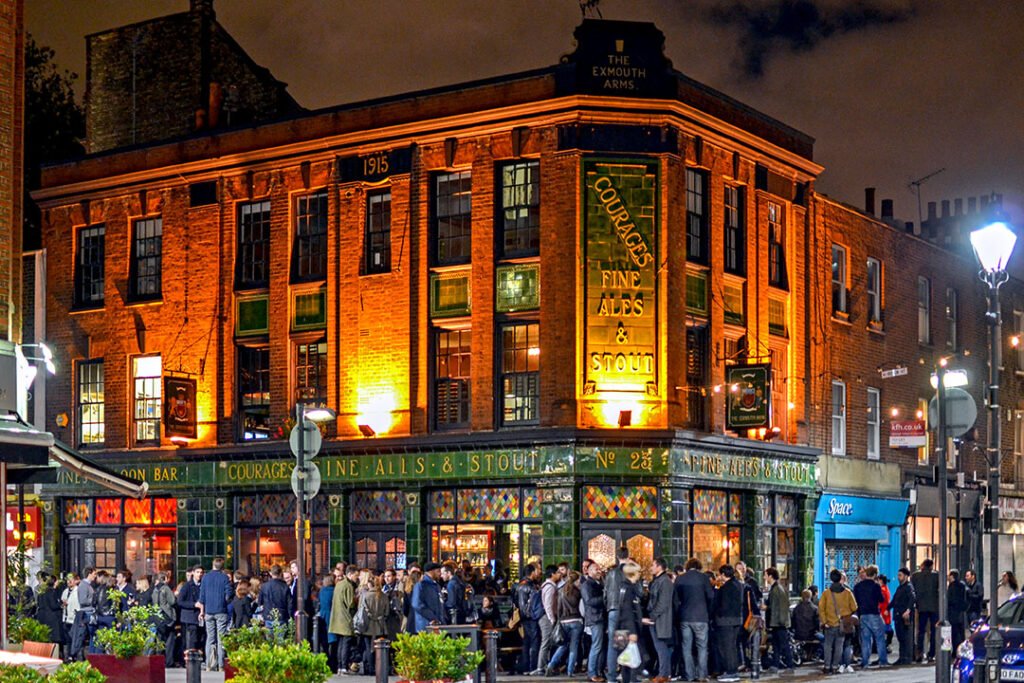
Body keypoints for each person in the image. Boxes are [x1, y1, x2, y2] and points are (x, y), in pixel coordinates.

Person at [675, 558, 713, 683]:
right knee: (702, 647)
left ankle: (689, 675)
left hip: (685, 617)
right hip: (701, 617)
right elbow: (710, 596)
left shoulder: (680, 578)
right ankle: (702, 676)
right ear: (699, 566)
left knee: (686, 647)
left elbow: (676, 598)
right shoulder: (703, 578)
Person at [818, 568, 858, 675]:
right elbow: (854, 607)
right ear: (841, 578)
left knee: (828, 646)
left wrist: (824, 621)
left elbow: (821, 608)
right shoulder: (848, 593)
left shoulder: (826, 593)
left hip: (829, 624)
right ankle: (835, 666)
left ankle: (827, 666)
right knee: (839, 646)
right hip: (842, 624)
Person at [198, 557, 233, 672]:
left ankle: (209, 664)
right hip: (221, 611)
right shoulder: (224, 578)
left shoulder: (206, 578)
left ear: (213, 565)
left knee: (210, 639)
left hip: (209, 611)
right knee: (221, 639)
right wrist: (224, 601)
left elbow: (201, 597)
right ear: (222, 566)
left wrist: (203, 610)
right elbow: (229, 593)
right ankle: (221, 665)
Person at [547, 570, 584, 677]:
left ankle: (551, 664)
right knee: (574, 646)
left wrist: (559, 619)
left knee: (563, 645)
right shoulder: (578, 591)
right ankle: (570, 671)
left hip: (563, 621)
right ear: (576, 580)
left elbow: (558, 608)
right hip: (576, 620)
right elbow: (581, 608)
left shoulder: (561, 590)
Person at [610, 562, 643, 683]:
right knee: (632, 661)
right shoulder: (629, 589)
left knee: (626, 661)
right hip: (628, 628)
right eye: (638, 572)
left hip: (621, 627)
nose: (640, 574)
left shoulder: (622, 587)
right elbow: (628, 610)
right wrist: (633, 631)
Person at [852, 565, 887, 668]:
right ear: (875, 574)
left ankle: (865, 662)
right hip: (874, 614)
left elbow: (855, 602)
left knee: (865, 640)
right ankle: (882, 661)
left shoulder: (857, 586)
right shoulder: (876, 586)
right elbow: (881, 599)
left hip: (863, 615)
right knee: (880, 638)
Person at [712, 564, 743, 683]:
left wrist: (717, 613)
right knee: (732, 646)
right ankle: (732, 670)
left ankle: (731, 672)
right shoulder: (738, 585)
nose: (719, 576)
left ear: (723, 574)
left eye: (720, 574)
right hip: (736, 619)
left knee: (726, 647)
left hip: (725, 621)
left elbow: (722, 606)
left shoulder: (725, 588)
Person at [604, 547, 630, 683]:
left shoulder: (610, 574)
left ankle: (611, 677)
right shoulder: (631, 571)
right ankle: (625, 675)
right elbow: (639, 592)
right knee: (625, 643)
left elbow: (605, 594)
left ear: (617, 556)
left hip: (612, 610)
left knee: (612, 644)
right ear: (628, 555)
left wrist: (608, 607)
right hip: (626, 611)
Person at [764, 567, 794, 674]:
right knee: (776, 644)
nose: (764, 577)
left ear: (770, 576)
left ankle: (790, 666)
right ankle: (775, 665)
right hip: (777, 622)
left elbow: (780, 606)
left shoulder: (777, 589)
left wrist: (781, 621)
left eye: (766, 575)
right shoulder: (777, 588)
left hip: (779, 623)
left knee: (783, 644)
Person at [359, 576, 391, 677]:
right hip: (380, 625)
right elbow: (387, 612)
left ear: (370, 584)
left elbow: (361, 610)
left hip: (367, 625)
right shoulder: (383, 596)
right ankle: (379, 668)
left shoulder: (365, 595)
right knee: (379, 648)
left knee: (368, 647)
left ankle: (368, 668)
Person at [330, 565, 359, 674]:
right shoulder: (348, 586)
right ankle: (343, 667)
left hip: (337, 619)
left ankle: (340, 666)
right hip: (345, 618)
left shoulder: (339, 584)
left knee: (340, 644)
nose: (357, 578)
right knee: (346, 643)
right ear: (350, 574)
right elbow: (350, 603)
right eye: (356, 575)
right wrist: (356, 600)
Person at [580, 559, 606, 682]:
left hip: (600, 617)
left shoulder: (599, 583)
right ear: (589, 571)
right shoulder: (587, 585)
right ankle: (592, 673)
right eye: (596, 569)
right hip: (595, 618)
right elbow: (589, 601)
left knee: (599, 646)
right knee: (596, 646)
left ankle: (598, 671)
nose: (599, 571)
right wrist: (604, 597)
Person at [910, 559, 939, 663]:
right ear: (931, 566)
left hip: (921, 607)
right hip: (934, 607)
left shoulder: (915, 576)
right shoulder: (936, 576)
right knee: (933, 631)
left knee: (920, 631)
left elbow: (912, 590)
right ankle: (932, 654)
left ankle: (919, 653)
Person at [516, 563, 542, 675]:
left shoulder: (525, 584)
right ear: (533, 572)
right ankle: (532, 667)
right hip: (529, 619)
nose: (540, 572)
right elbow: (523, 606)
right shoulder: (526, 585)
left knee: (527, 642)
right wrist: (531, 616)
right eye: (538, 570)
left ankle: (527, 667)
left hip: (527, 618)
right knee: (533, 642)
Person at [889, 568, 916, 666]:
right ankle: (902, 657)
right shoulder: (899, 588)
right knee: (900, 637)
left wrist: (908, 610)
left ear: (905, 576)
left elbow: (912, 598)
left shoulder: (909, 587)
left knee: (906, 637)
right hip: (897, 616)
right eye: (898, 575)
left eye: (900, 575)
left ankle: (907, 658)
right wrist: (887, 608)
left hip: (904, 617)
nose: (898, 577)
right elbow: (894, 600)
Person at [537, 564, 561, 674]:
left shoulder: (546, 585)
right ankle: (541, 667)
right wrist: (552, 619)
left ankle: (544, 666)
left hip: (545, 617)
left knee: (548, 642)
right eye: (558, 572)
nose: (559, 574)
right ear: (552, 574)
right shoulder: (550, 587)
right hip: (546, 618)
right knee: (546, 642)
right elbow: (548, 604)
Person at [151, 572, 177, 669]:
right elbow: (172, 601)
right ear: (165, 578)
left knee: (159, 640)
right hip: (167, 617)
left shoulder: (154, 590)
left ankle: (159, 660)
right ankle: (169, 661)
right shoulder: (166, 588)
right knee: (170, 640)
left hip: (158, 617)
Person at [177, 565, 204, 655]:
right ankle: (190, 659)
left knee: (200, 638)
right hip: (189, 617)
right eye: (197, 572)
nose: (199, 574)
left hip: (200, 616)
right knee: (191, 639)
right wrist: (194, 604)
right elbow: (180, 601)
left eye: (201, 572)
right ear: (193, 573)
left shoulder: (203, 585)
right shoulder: (187, 585)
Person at [35, 573, 64, 651]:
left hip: (42, 617)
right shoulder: (51, 592)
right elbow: (53, 605)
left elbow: (38, 603)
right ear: (54, 582)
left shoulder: (41, 591)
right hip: (51, 618)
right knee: (53, 639)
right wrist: (61, 604)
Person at [948, 570, 968, 653]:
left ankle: (955, 650)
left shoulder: (952, 586)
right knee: (960, 632)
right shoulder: (962, 585)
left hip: (953, 613)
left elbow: (950, 599)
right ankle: (961, 649)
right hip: (960, 612)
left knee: (954, 632)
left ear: (952, 576)